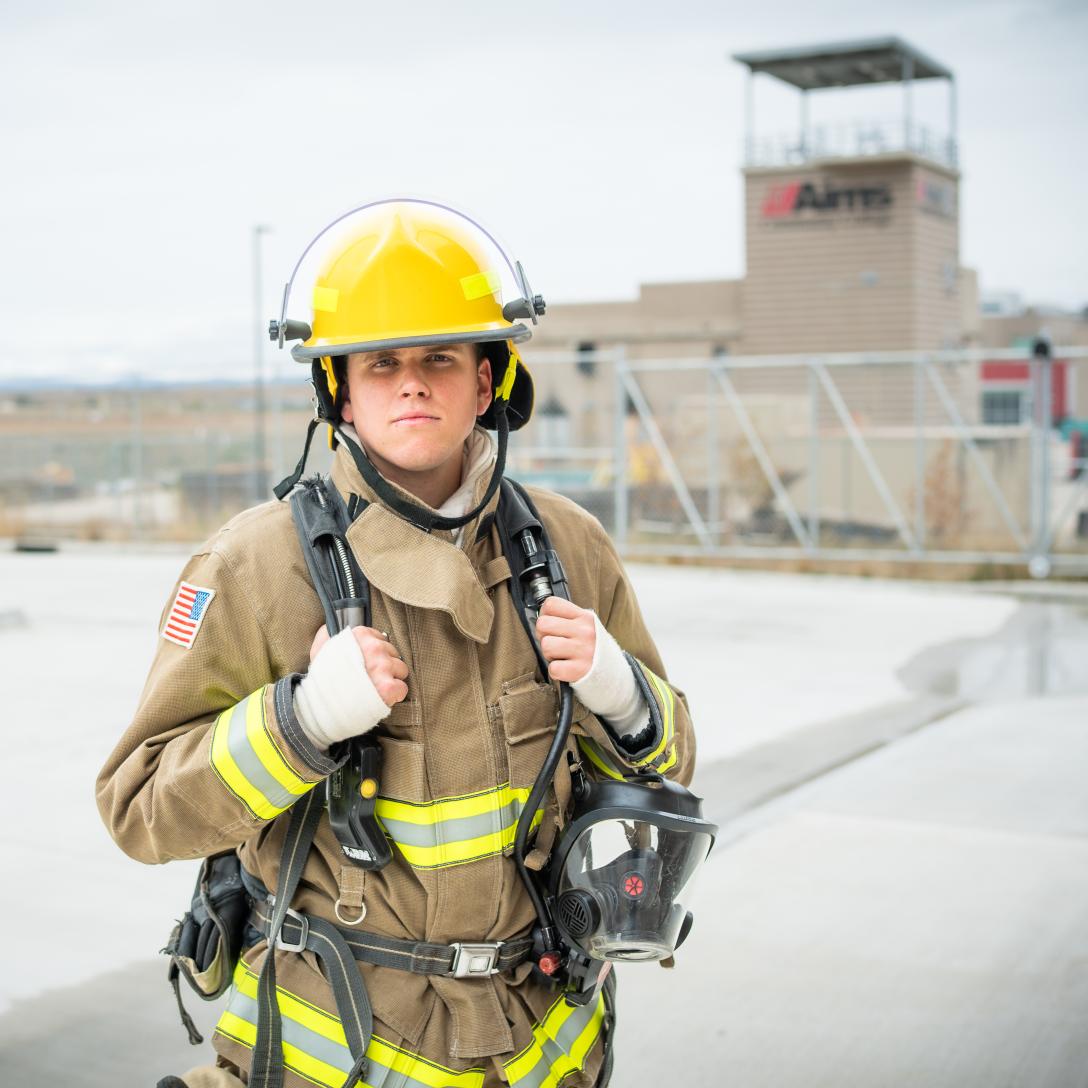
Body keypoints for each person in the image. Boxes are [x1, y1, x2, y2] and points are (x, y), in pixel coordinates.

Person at [97, 200, 697, 1088]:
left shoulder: (570, 548)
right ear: (339, 390)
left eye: (439, 358)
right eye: (382, 363)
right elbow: (140, 809)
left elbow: (676, 766)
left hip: (546, 1050)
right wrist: (300, 724)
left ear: (487, 382)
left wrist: (625, 697)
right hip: (340, 1057)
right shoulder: (255, 566)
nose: (412, 384)